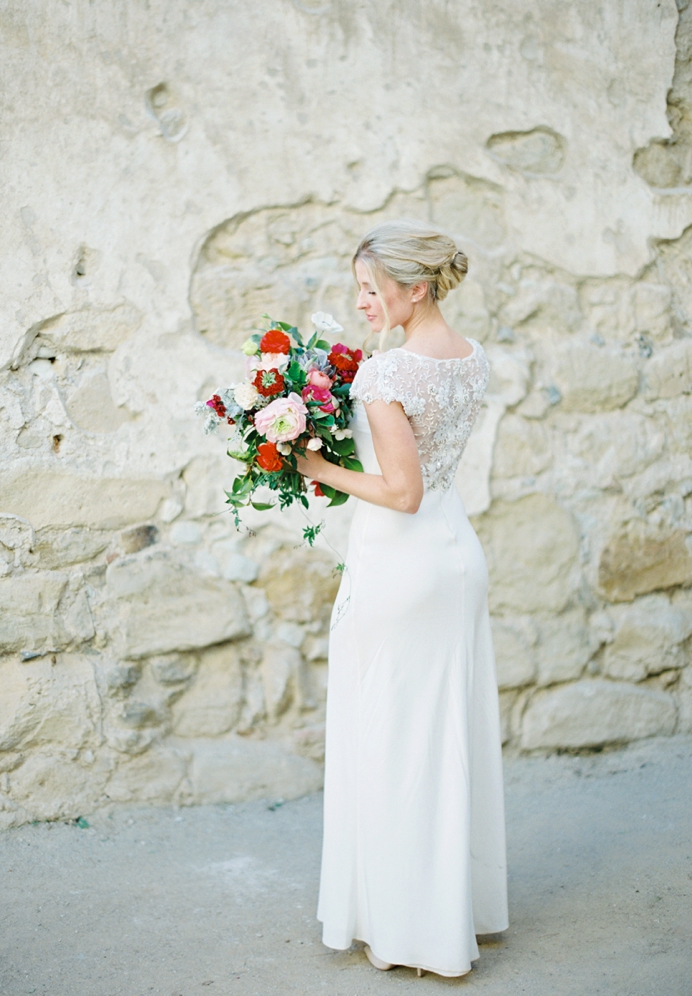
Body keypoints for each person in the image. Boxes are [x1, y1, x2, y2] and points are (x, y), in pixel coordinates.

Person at [295, 218, 508, 978]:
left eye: (371, 289)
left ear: (415, 288)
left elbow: (401, 491)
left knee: (390, 741)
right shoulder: (472, 358)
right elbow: (431, 476)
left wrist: (316, 468)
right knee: (443, 741)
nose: (361, 303)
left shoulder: (386, 375)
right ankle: (451, 916)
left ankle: (407, 929)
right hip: (457, 560)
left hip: (403, 570)